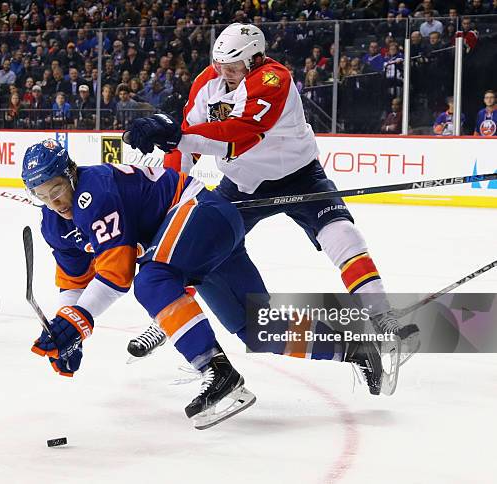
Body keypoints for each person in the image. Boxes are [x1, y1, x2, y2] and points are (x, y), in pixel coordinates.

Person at [21, 140, 391, 429]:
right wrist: (66, 330)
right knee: (254, 326)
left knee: (151, 280)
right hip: (200, 235)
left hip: (200, 213)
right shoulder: (54, 224)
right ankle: (356, 349)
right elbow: (75, 281)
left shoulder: (94, 192)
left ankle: (215, 370)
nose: (54, 202)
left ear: (70, 174)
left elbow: (117, 274)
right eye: (41, 195)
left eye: (56, 188)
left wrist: (76, 323)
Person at [125, 23, 419, 360]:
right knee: (197, 246)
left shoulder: (272, 78)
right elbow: (188, 145)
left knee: (344, 236)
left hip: (300, 176)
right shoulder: (207, 82)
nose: (225, 73)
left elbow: (240, 131)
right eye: (220, 65)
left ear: (255, 59)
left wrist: (176, 136)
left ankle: (383, 317)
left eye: (233, 68)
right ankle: (166, 320)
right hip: (240, 186)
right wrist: (173, 192)